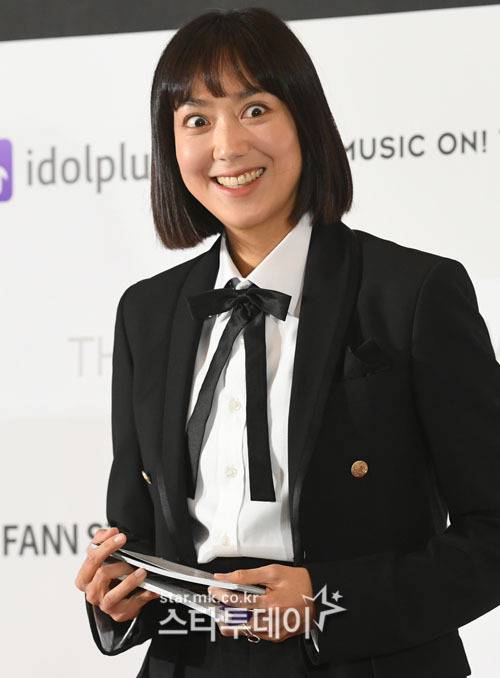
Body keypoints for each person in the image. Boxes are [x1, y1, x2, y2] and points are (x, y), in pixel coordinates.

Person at [74, 7, 500, 678]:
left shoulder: (412, 293)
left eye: (254, 110)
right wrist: (118, 597)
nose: (227, 147)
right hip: (191, 663)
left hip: (364, 662)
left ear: (304, 119)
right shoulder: (146, 313)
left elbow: (493, 533)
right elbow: (141, 534)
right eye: (196, 120)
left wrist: (327, 602)